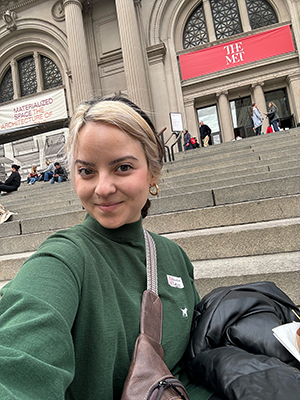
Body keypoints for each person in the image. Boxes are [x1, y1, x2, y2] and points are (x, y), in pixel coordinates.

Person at [0, 96, 221, 399]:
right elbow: (17, 362)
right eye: (87, 171)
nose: (103, 188)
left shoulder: (174, 257)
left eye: (123, 167)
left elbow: (186, 368)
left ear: (153, 172)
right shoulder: (62, 259)